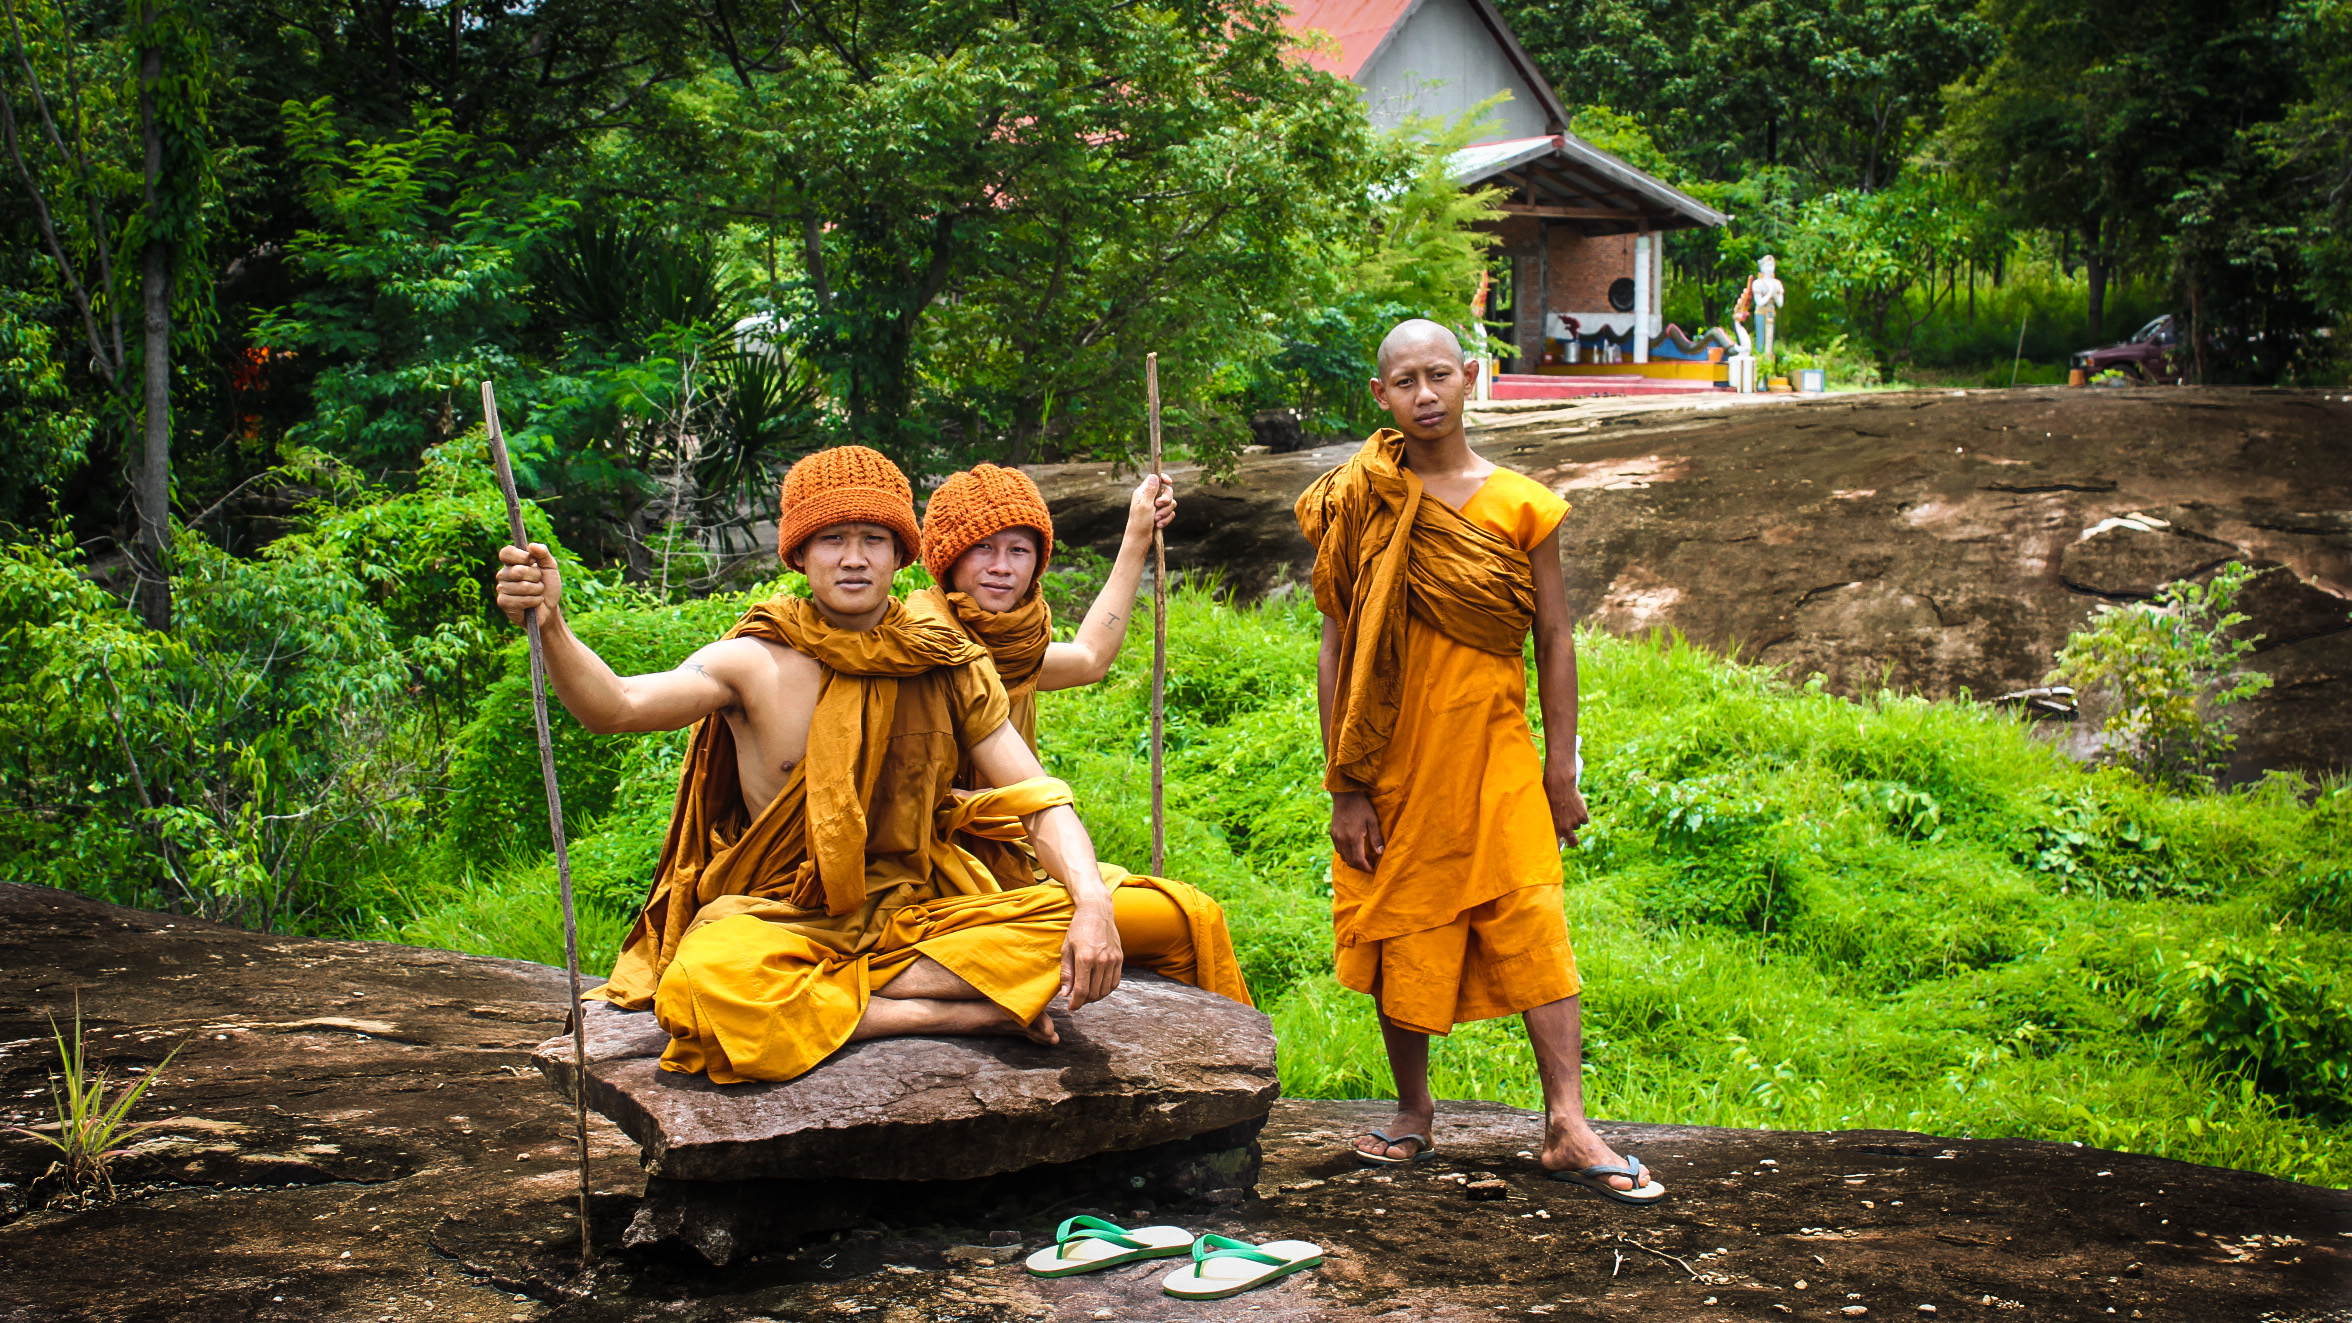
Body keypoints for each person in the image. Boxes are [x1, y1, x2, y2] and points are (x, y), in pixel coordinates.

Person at [491, 445, 1124, 1084]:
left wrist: (1092, 901)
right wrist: (551, 623)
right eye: (832, 539)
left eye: (874, 538)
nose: (854, 557)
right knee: (701, 978)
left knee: (1086, 918)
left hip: (921, 907)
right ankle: (956, 1012)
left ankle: (845, 996)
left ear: (902, 552)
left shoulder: (948, 662)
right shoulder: (752, 661)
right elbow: (618, 706)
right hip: (788, 919)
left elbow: (1039, 797)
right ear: (798, 553)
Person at [1292, 319, 1664, 1203]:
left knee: (1534, 914)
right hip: (1395, 764)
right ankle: (1414, 1111)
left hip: (1498, 754)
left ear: (1470, 378)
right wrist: (1345, 783)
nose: (1425, 395)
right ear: (1379, 396)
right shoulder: (1360, 502)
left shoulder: (1522, 505)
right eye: (1405, 381)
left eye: (1439, 376)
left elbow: (1555, 635)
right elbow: (1336, 643)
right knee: (1398, 919)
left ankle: (1568, 1124)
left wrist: (1561, 766)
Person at [910, 462, 1252, 1005]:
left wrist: (1137, 534)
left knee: (1189, 918)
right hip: (935, 883)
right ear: (948, 557)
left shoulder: (1012, 650)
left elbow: (1090, 657)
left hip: (1014, 864)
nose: (1002, 568)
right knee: (1188, 918)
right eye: (983, 549)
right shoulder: (923, 646)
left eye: (1018, 551)